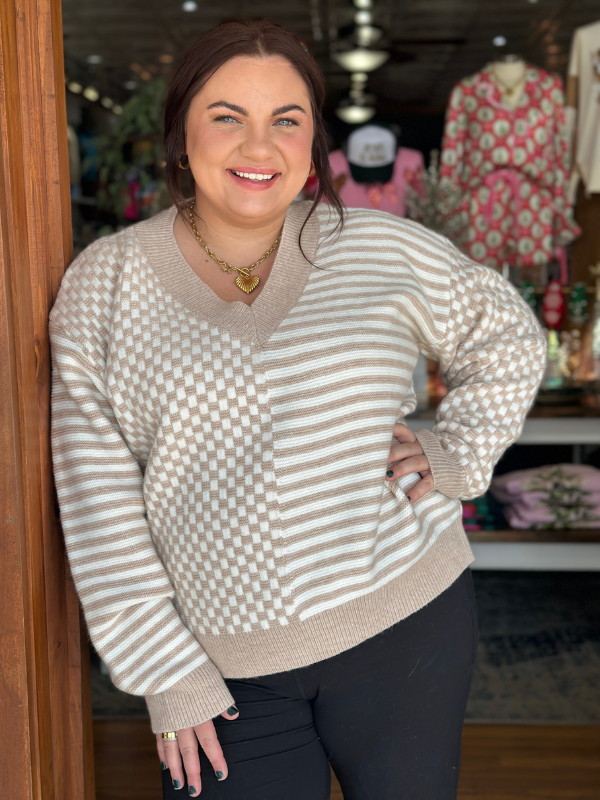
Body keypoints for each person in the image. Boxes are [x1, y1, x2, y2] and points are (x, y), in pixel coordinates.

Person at [49, 19, 546, 800]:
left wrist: (459, 452)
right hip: (219, 669)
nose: (259, 147)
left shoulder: (381, 248)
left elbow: (508, 335)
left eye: (287, 120)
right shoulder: (104, 285)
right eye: (227, 117)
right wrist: (164, 673)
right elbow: (95, 499)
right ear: (180, 133)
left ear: (315, 142)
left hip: (404, 623)